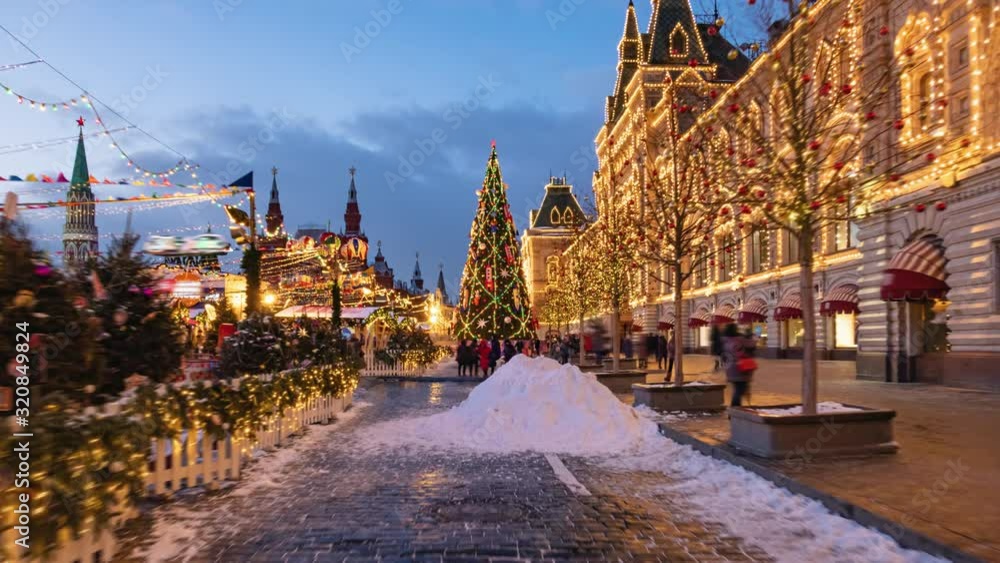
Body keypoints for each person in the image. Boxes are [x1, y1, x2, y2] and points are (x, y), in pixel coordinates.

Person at [723, 323, 757, 406]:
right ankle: (735, 410)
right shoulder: (739, 340)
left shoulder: (726, 341)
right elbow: (752, 344)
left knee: (738, 389)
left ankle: (736, 409)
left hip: (730, 370)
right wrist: (751, 337)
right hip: (741, 369)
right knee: (739, 390)